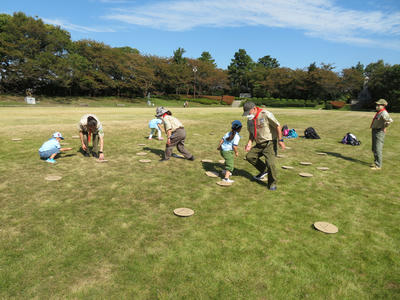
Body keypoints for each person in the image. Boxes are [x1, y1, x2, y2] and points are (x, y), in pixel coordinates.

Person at [242, 101, 285, 190]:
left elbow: (277, 126)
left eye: (248, 112)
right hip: (259, 144)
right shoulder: (250, 120)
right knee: (250, 156)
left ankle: (272, 184)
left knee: (271, 164)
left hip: (269, 143)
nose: (247, 115)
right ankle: (264, 170)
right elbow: (251, 133)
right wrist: (249, 143)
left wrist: (280, 140)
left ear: (254, 109)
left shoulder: (265, 114)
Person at [370, 99, 393, 170]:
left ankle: (378, 166)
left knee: (378, 148)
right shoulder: (379, 112)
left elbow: (389, 121)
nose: (377, 106)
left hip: (379, 132)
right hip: (375, 131)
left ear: (383, 106)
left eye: (378, 105)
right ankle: (376, 162)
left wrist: (385, 126)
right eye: (376, 105)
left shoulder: (384, 113)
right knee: (374, 148)